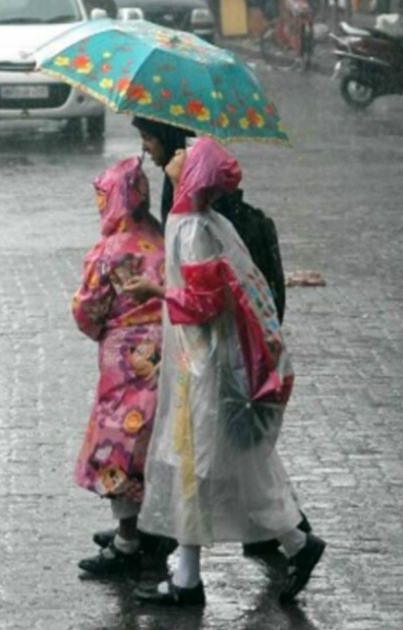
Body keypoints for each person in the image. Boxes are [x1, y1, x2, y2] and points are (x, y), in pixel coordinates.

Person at [122, 138, 325, 606]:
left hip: (204, 370)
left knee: (198, 466)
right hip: (199, 365)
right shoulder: (196, 222)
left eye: (184, 155)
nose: (175, 154)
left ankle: (192, 580)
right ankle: (292, 544)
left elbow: (204, 304)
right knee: (230, 468)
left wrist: (155, 291)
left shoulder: (194, 229)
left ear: (192, 174)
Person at [71, 157, 173, 575]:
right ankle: (150, 527)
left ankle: (128, 541)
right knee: (154, 441)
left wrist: (99, 327)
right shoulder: (163, 237)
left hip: (124, 363)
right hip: (166, 353)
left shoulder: (109, 250)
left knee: (119, 446)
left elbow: (87, 310)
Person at [132, 117, 195, 223]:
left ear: (167, 138)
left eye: (148, 138)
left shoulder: (196, 188)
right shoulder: (176, 172)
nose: (144, 148)